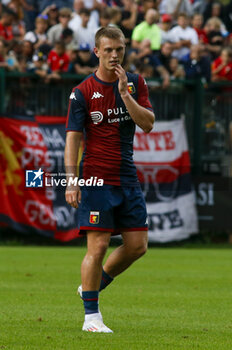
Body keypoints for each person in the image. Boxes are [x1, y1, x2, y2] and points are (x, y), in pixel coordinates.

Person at [65, 26, 155, 333]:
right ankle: (91, 318)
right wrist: (71, 179)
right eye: (108, 50)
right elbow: (72, 139)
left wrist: (125, 94)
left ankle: (90, 287)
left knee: (137, 246)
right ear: (97, 52)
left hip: (126, 176)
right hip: (95, 177)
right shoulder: (82, 92)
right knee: (99, 244)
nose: (115, 55)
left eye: (120, 49)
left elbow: (148, 124)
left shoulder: (135, 83)